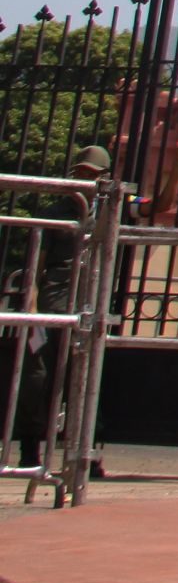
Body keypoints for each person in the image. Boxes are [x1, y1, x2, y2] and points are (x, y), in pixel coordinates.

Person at [12, 145, 106, 473]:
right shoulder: (56, 212)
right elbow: (35, 265)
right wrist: (34, 312)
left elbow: (157, 207)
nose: (85, 180)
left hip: (90, 301)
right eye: (82, 173)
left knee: (87, 376)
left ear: (103, 179)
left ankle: (83, 455)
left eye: (92, 175)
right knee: (41, 375)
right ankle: (29, 448)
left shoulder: (110, 209)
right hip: (55, 300)